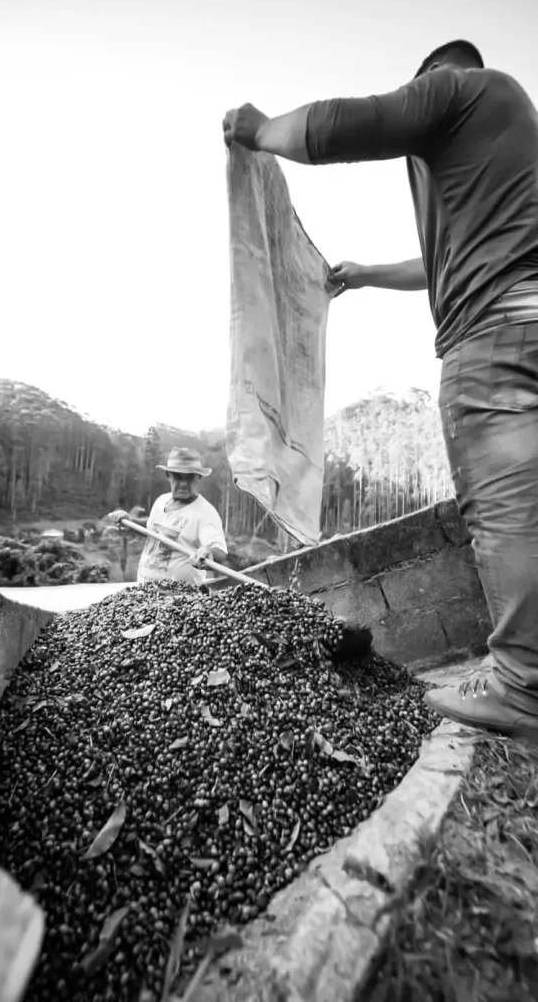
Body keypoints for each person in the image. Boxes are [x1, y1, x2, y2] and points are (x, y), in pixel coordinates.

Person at [223, 39, 538, 741]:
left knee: (503, 513)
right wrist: (363, 273)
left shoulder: (460, 89)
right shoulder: (509, 138)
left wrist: (261, 129)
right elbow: (439, 262)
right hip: (529, 318)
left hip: (491, 338)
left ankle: (521, 685)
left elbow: (352, 123)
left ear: (432, 74)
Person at [109, 447, 228, 587]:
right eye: (178, 476)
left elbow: (219, 551)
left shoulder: (205, 513)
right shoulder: (161, 501)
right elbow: (153, 528)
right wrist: (130, 522)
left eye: (189, 477)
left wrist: (207, 553)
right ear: (168, 475)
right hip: (144, 593)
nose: (183, 484)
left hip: (178, 600)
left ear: (198, 477)